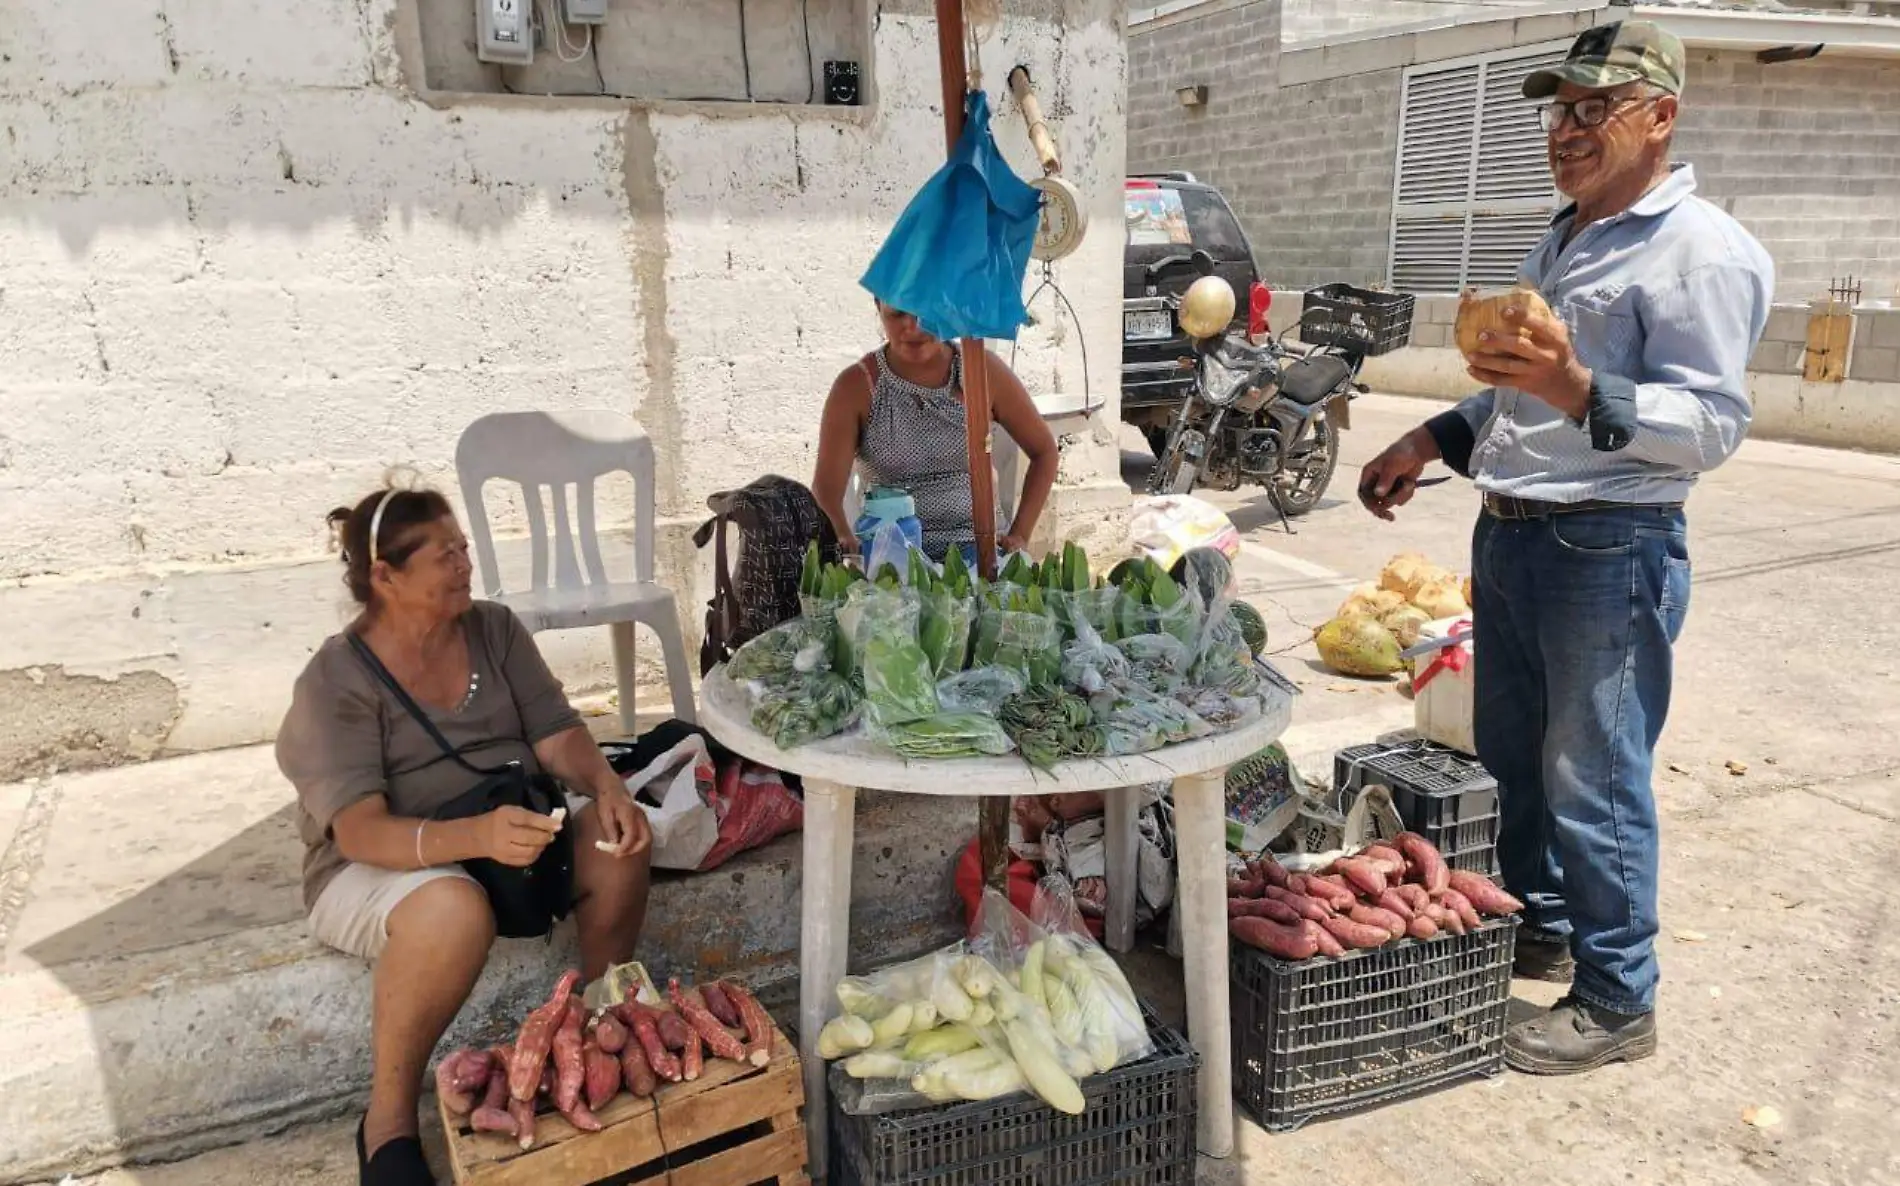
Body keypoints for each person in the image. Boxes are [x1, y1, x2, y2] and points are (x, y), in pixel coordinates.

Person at [1357, 20, 1772, 1076]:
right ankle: (1539, 923)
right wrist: (1429, 436)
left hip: (1605, 543)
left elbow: (1712, 425)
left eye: (1597, 108)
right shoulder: (1572, 233)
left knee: (1594, 774)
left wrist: (1576, 388)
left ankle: (1616, 996)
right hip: (1512, 533)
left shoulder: (1700, 252)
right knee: (1514, 761)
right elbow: (1515, 393)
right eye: (1560, 109)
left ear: (1660, 117)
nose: (1569, 129)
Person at [276, 485, 654, 1185]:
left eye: (464, 548)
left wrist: (606, 786)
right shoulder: (336, 679)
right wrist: (473, 835)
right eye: (443, 554)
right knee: (453, 909)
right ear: (384, 577)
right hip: (382, 864)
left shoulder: (494, 629)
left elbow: (556, 731)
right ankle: (386, 1123)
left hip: (502, 833)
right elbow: (359, 830)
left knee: (617, 837)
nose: (463, 564)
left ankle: (594, 1037)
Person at [812, 299, 1059, 564]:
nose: (913, 326)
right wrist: (843, 537)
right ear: (878, 306)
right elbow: (826, 490)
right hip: (891, 559)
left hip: (978, 553)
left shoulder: (982, 372)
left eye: (926, 311)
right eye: (897, 313)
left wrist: (1020, 535)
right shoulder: (857, 387)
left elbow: (1044, 452)